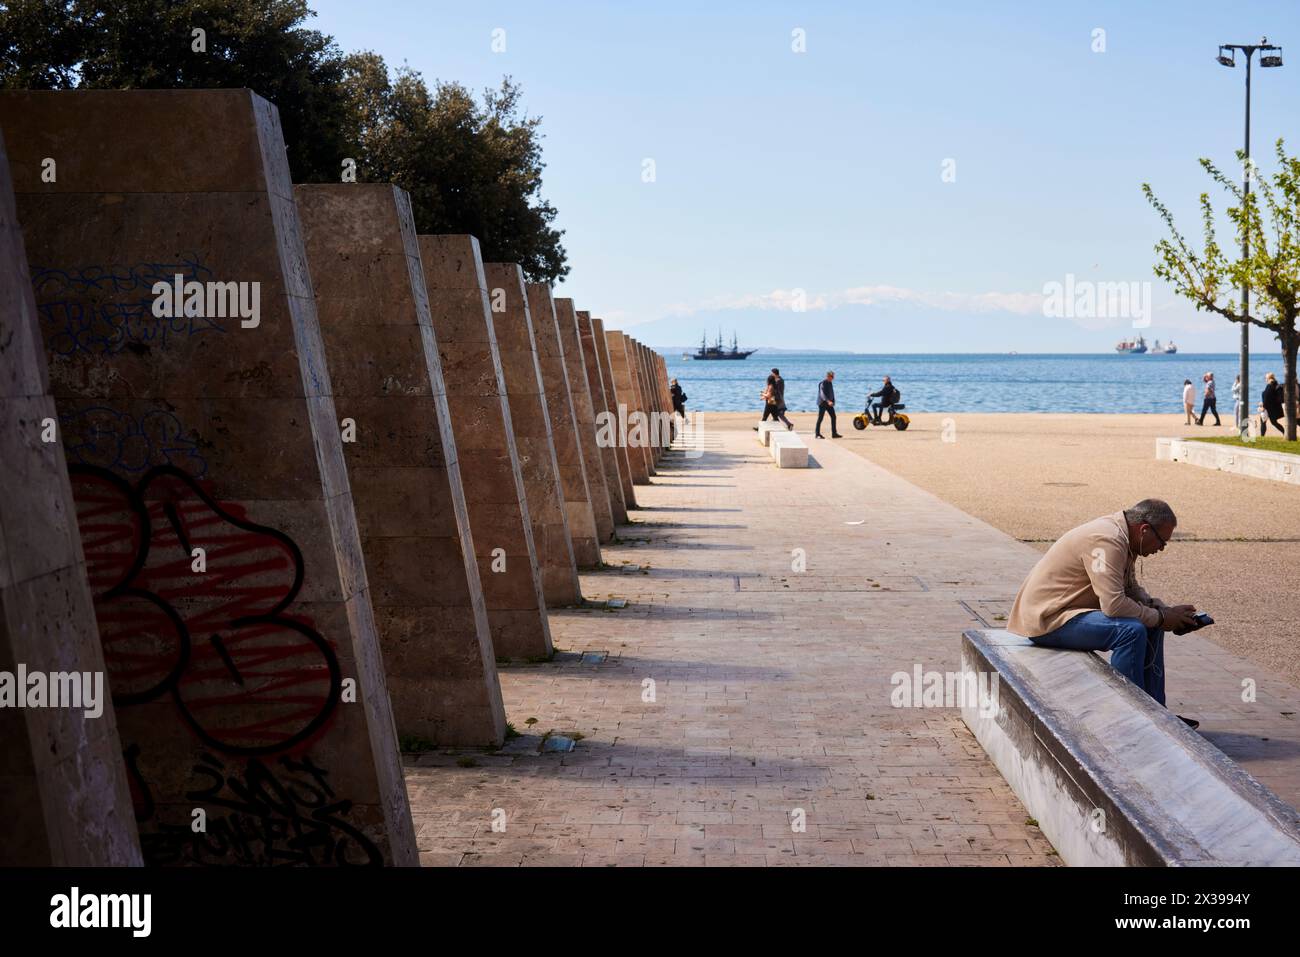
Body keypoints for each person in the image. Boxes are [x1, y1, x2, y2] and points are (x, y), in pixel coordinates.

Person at [1007, 499, 1201, 727]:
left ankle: (1157, 713)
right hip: (1048, 619)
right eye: (1162, 542)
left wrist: (1163, 611)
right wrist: (1160, 617)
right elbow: (1114, 605)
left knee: (1151, 624)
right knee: (1131, 631)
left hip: (1070, 613)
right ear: (1144, 529)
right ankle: (1128, 715)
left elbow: (1129, 590)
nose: (1161, 549)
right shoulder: (1105, 540)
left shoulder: (1124, 537)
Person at [814, 371, 841, 439]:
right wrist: (828, 401)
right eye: (832, 376)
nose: (833, 378)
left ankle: (834, 433)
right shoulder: (823, 383)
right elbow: (822, 394)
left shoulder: (830, 383)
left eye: (833, 376)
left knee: (833, 417)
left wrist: (833, 401)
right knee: (820, 418)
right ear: (828, 376)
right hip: (822, 403)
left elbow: (831, 392)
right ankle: (817, 434)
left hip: (829, 404)